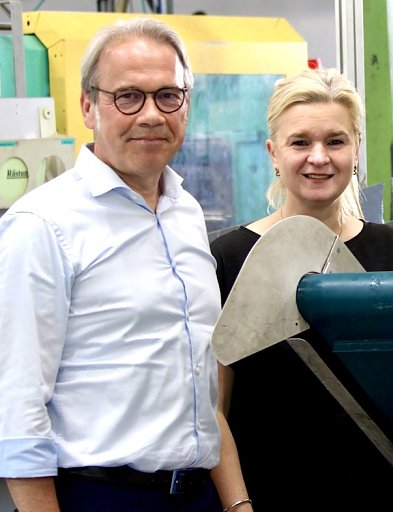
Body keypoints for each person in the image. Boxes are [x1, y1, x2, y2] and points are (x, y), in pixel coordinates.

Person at [0, 18, 251, 512]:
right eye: (128, 97)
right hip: (98, 495)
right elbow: (17, 405)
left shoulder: (187, 212)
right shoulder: (43, 224)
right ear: (88, 106)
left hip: (196, 493)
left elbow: (199, 381)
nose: (152, 115)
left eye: (168, 95)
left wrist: (235, 502)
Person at [210, 68, 393, 510]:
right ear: (273, 153)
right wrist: (238, 506)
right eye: (300, 143)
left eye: (335, 141)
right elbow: (212, 410)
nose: (318, 157)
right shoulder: (230, 258)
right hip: (271, 493)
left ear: (355, 149)